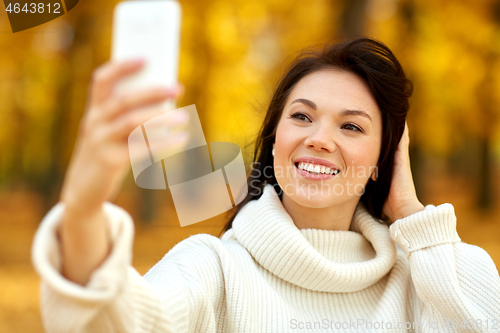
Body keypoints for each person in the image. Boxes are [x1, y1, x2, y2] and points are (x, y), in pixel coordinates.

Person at [32, 37, 500, 332]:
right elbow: (121, 323)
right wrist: (83, 209)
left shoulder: (421, 279)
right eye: (301, 117)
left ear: (385, 159)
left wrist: (410, 212)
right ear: (275, 141)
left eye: (351, 127)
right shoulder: (213, 268)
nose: (318, 139)